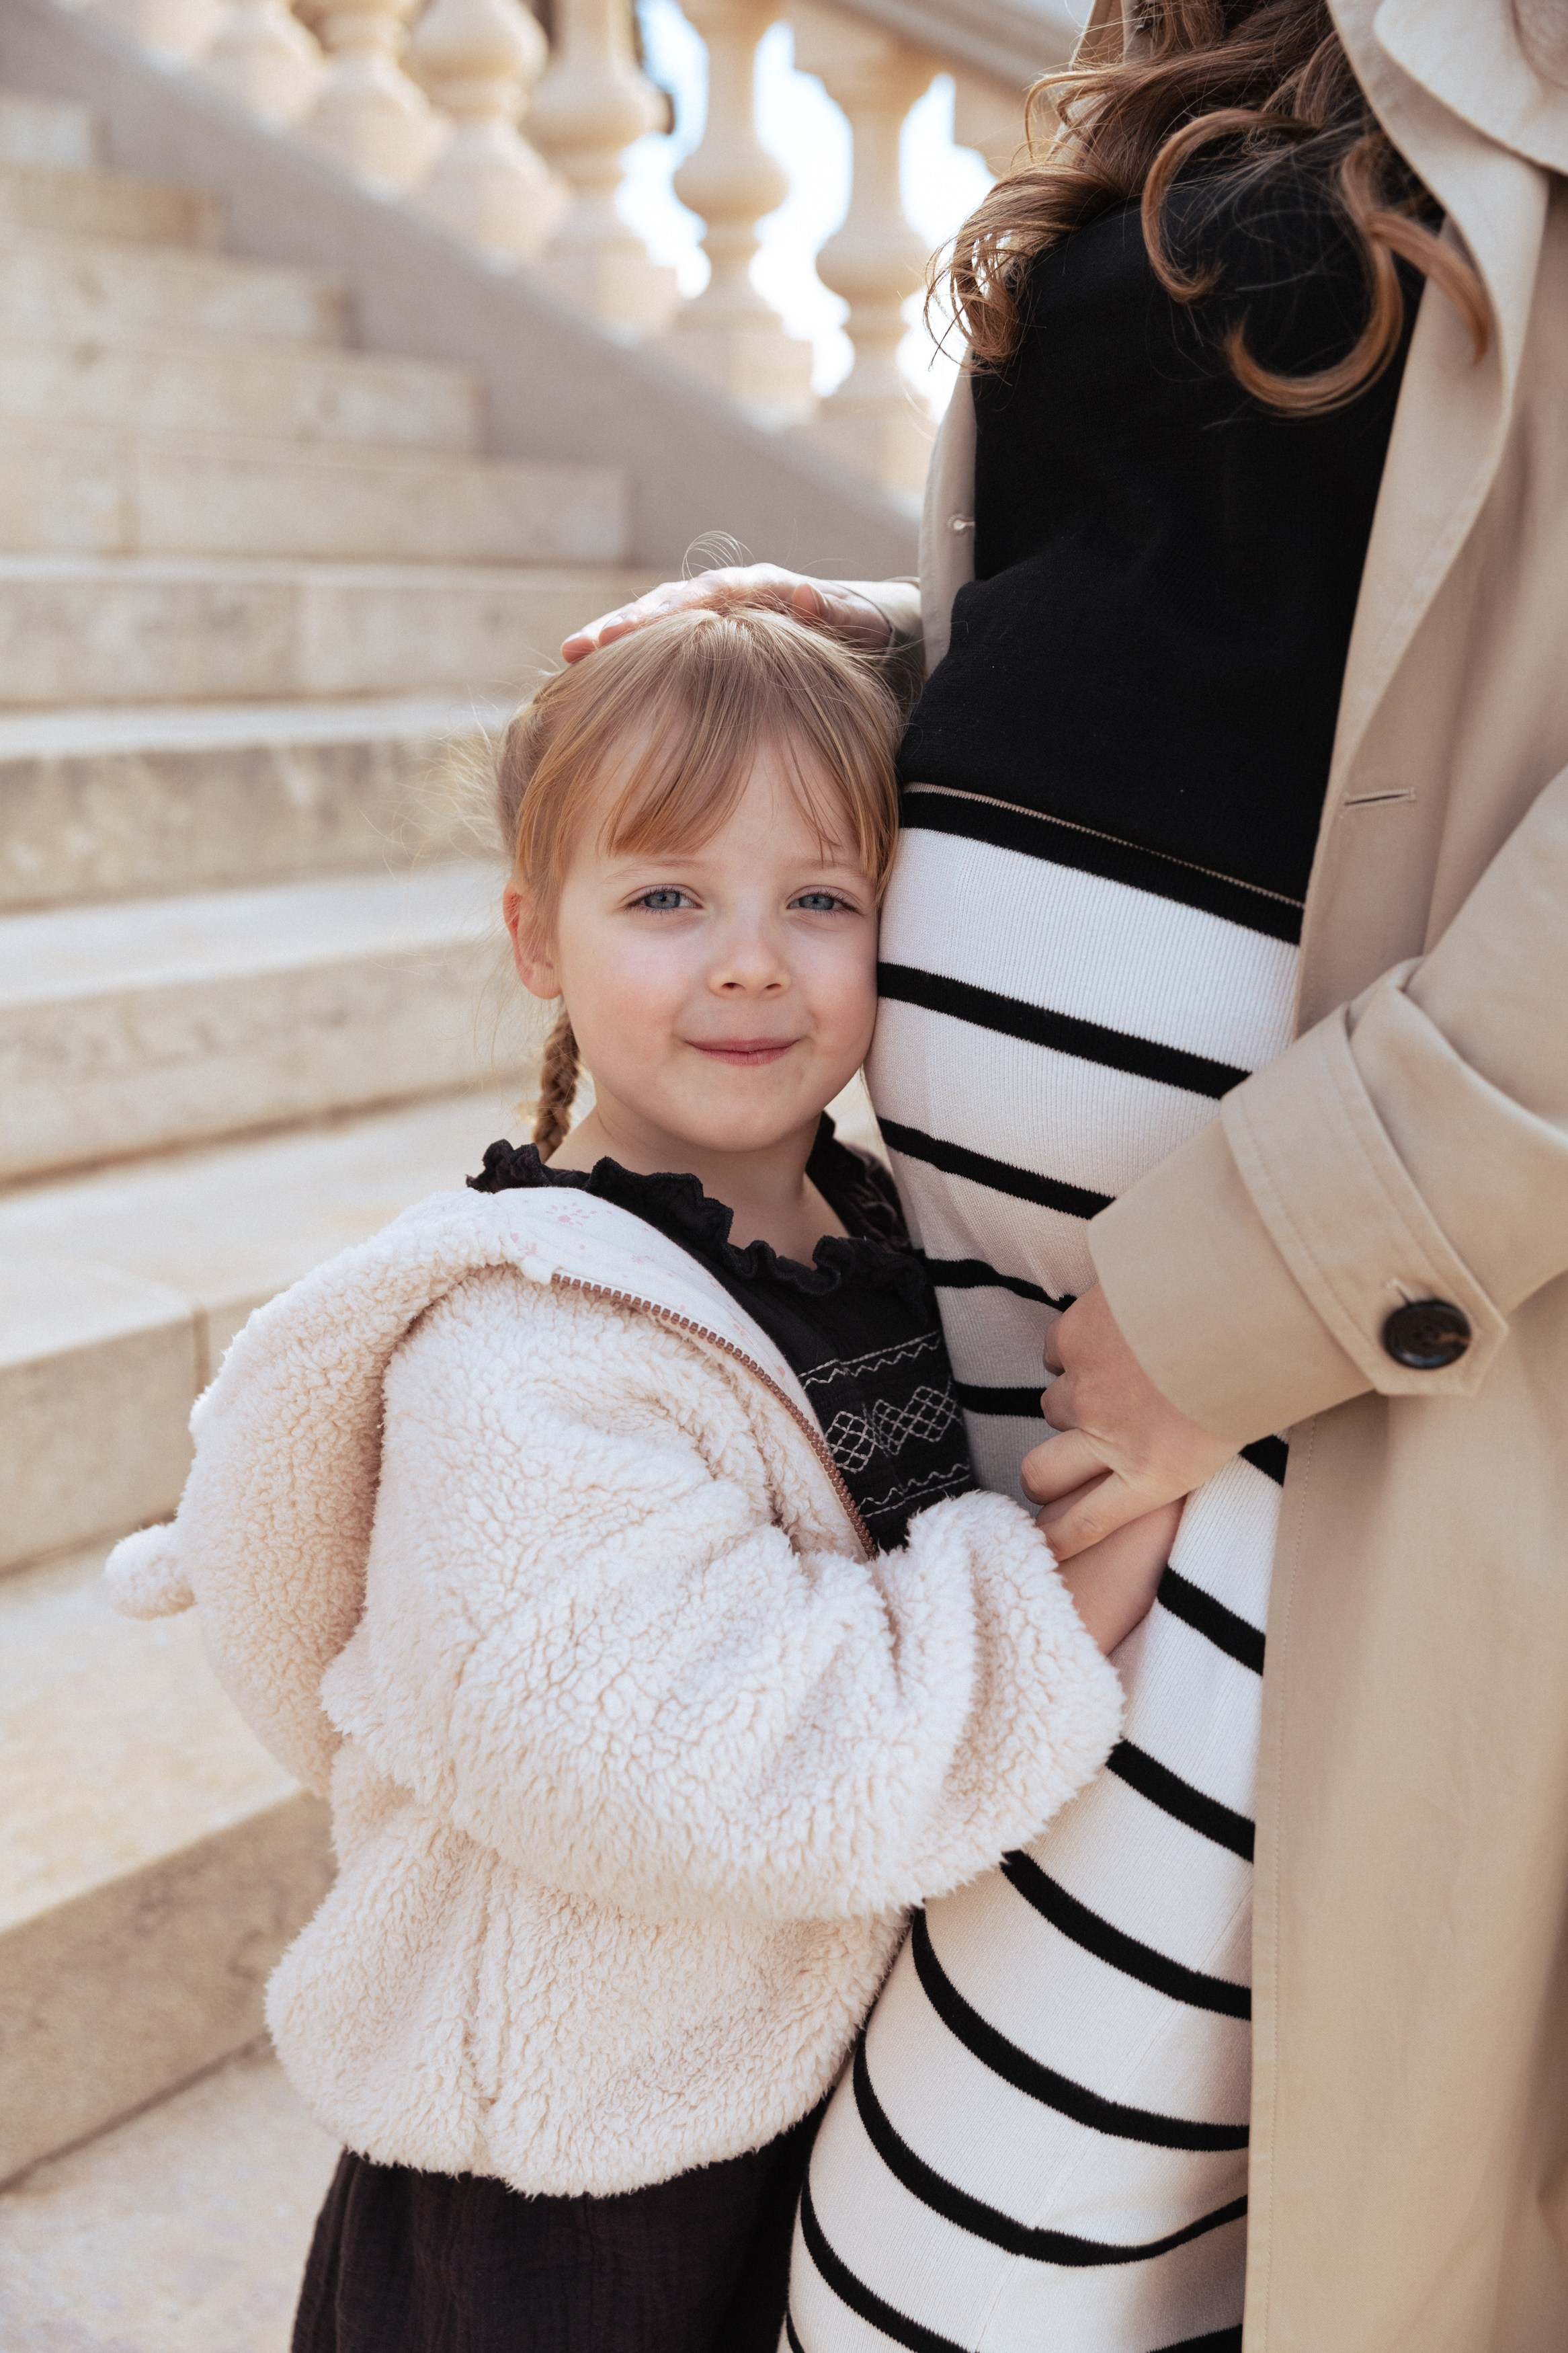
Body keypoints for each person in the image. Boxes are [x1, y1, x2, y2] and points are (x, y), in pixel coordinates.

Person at [563, 1, 1568, 2345]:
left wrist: (1285, 1268)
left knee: (931, 2281)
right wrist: (900, 658)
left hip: (1335, 1397)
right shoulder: (1217, 40)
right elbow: (1270, 597)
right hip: (1025, 1377)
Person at [102, 608, 1154, 2353]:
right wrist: (1097, 1560)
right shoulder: (524, 1348)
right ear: (536, 936)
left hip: (803, 2084)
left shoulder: (883, 1238)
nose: (751, 963)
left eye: (820, 899)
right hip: (580, 2182)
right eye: (668, 896)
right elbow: (688, 1756)